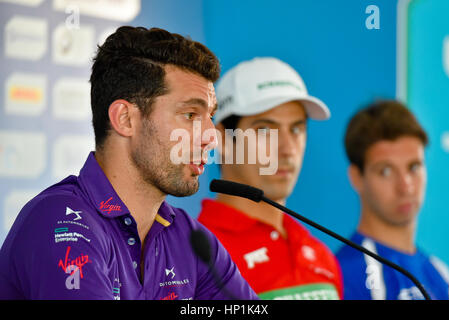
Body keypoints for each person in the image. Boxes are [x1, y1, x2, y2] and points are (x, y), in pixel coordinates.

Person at [0, 26, 258, 300]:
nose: (211, 137)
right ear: (125, 119)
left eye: (210, 117)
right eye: (190, 114)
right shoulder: (60, 221)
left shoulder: (190, 239)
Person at [198, 57, 343, 300]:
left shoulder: (321, 256)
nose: (287, 149)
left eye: (296, 129)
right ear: (221, 139)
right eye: (265, 130)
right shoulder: (194, 254)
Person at [336, 100, 449, 300]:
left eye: (414, 167)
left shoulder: (441, 273)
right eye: (386, 171)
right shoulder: (342, 277)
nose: (405, 186)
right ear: (356, 177)